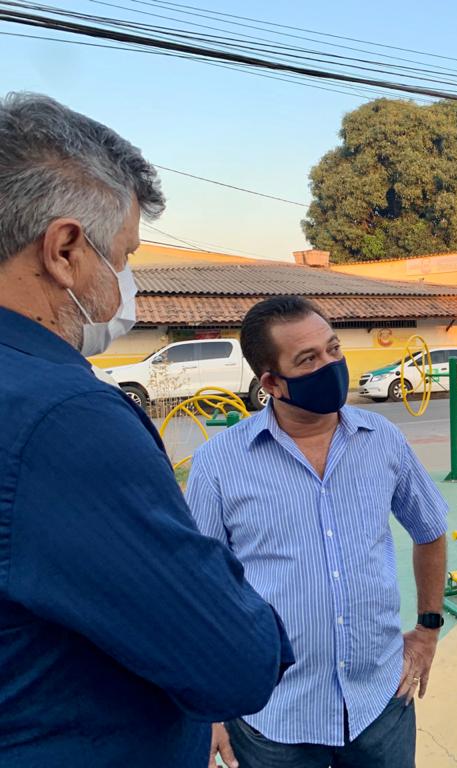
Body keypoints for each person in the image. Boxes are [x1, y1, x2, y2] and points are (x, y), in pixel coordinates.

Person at [0, 92, 293, 767]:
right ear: (65, 250)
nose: (127, 283)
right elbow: (233, 661)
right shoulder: (64, 421)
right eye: (124, 255)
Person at [186, 296, 449, 768]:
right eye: (308, 359)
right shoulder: (219, 464)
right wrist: (209, 709)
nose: (329, 365)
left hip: (380, 701)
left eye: (333, 349)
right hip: (273, 716)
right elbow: (199, 590)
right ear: (271, 383)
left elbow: (429, 529)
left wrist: (428, 630)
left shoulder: (382, 440)